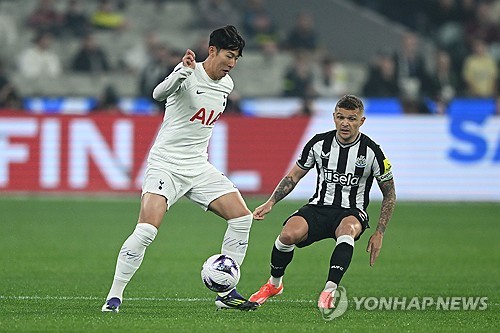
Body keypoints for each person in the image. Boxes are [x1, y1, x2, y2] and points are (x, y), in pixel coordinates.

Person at [101, 25, 259, 312]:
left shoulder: (227, 85)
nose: (232, 64)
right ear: (212, 51)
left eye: (236, 58)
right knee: (147, 230)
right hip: (166, 165)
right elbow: (158, 94)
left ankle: (226, 292)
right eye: (229, 56)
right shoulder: (187, 72)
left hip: (198, 166)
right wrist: (179, 73)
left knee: (242, 219)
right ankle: (114, 296)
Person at [248, 95, 396, 312]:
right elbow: (294, 176)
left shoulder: (373, 152)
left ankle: (329, 289)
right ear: (334, 118)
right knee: (287, 234)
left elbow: (389, 194)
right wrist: (271, 202)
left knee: (347, 230)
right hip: (319, 207)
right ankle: (274, 284)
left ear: (361, 121)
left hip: (352, 211)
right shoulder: (319, 143)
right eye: (340, 117)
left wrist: (380, 232)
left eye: (352, 119)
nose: (345, 123)